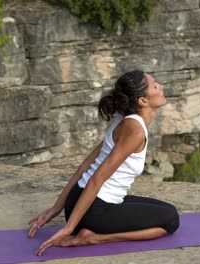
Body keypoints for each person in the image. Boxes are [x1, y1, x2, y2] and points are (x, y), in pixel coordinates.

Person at [28, 70, 180, 256]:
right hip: (93, 211)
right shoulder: (135, 131)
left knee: (167, 210)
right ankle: (93, 238)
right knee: (171, 220)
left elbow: (86, 165)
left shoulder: (125, 120)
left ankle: (86, 228)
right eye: (155, 85)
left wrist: (60, 206)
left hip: (79, 201)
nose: (161, 87)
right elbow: (96, 179)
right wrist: (69, 228)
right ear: (143, 101)